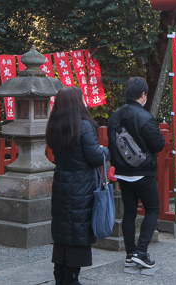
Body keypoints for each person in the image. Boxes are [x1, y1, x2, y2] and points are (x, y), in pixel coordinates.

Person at [46, 86, 109, 285]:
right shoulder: (84, 125)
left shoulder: (55, 125)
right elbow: (94, 157)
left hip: (62, 184)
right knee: (78, 233)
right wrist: (106, 151)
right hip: (81, 187)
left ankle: (60, 277)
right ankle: (72, 278)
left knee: (63, 233)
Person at [107, 77, 165, 270]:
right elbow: (158, 145)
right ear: (143, 95)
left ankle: (130, 254)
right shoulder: (145, 117)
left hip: (123, 172)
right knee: (153, 208)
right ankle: (141, 252)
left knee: (129, 212)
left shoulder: (114, 116)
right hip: (142, 171)